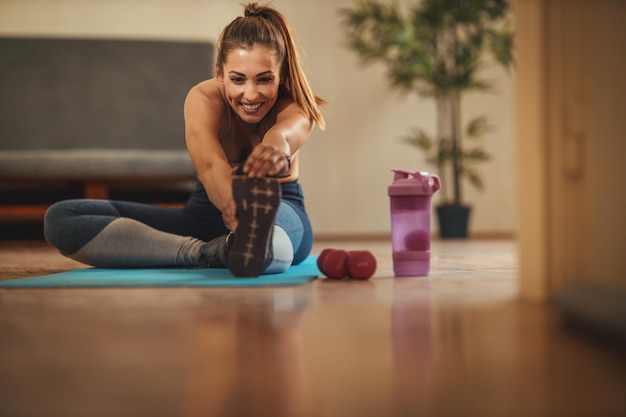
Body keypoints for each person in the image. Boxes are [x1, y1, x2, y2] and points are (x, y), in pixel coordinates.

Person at [43, 2, 326, 277]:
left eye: (264, 79)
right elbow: (210, 167)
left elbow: (285, 134)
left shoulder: (297, 106)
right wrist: (232, 208)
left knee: (268, 238)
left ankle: (249, 244)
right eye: (238, 79)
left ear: (282, 76)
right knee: (62, 217)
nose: (250, 94)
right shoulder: (203, 99)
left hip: (280, 213)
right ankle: (204, 252)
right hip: (204, 214)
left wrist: (273, 149)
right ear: (219, 73)